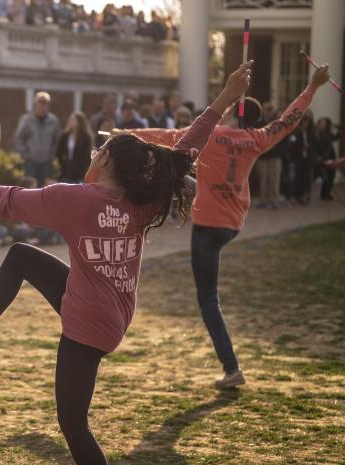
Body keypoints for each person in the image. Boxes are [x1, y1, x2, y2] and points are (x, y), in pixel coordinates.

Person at [0, 62, 253, 465]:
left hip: (88, 322)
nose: (93, 152)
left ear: (107, 158)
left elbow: (8, 198)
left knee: (73, 425)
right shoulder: (141, 199)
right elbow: (187, 150)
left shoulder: (72, 200)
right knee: (21, 256)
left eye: (99, 149)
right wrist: (225, 98)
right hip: (108, 310)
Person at [122, 62, 331, 389]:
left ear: (235, 111)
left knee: (207, 298)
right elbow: (289, 120)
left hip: (207, 226)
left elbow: (167, 138)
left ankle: (231, 368)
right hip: (232, 224)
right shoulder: (256, 140)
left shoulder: (213, 136)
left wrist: (125, 135)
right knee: (188, 186)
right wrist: (313, 87)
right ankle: (230, 368)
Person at [14, 91, 60, 187]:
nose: (43, 105)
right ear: (36, 103)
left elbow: (57, 140)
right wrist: (24, 153)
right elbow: (19, 138)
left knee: (45, 189)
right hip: (30, 161)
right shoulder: (27, 119)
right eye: (41, 102)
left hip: (47, 162)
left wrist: (52, 154)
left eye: (46, 103)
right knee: (29, 189)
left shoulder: (53, 121)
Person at [56, 111, 93, 183]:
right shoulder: (65, 136)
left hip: (79, 172)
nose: (70, 121)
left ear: (79, 122)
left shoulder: (86, 137)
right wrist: (63, 163)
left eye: (73, 119)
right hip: (66, 171)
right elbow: (59, 153)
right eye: (70, 119)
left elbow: (87, 156)